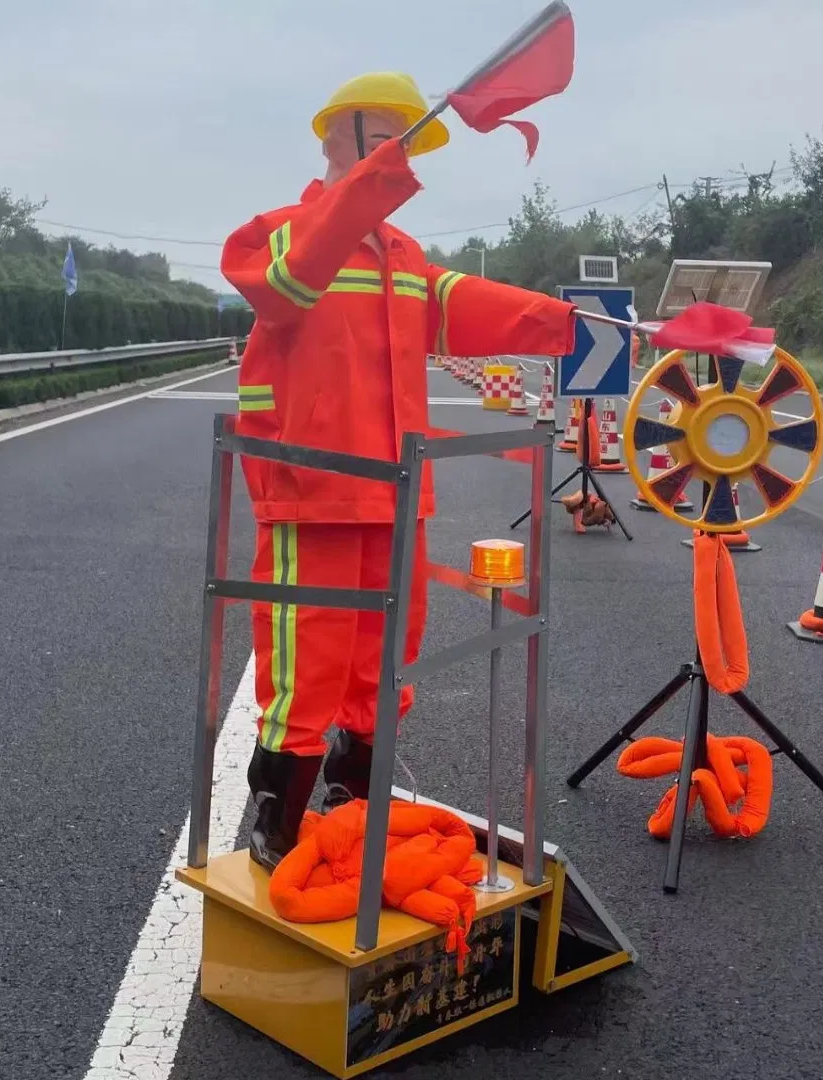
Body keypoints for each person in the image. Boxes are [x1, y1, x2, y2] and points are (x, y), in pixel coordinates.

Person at [220, 71, 580, 872]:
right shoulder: (277, 232)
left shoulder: (404, 256)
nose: (403, 163)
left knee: (386, 655)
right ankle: (277, 814)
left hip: (398, 490)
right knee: (306, 654)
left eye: (409, 147)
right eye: (388, 143)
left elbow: (471, 304)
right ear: (337, 138)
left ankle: (354, 798)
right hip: (311, 489)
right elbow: (285, 289)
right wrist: (368, 187)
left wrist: (575, 322)